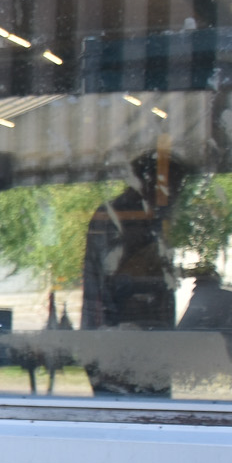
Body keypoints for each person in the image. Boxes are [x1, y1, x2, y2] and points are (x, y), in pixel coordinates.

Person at [80, 148, 190, 396]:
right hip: (120, 344)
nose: (176, 194)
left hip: (150, 343)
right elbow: (106, 287)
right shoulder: (119, 216)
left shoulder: (153, 218)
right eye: (174, 186)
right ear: (149, 182)